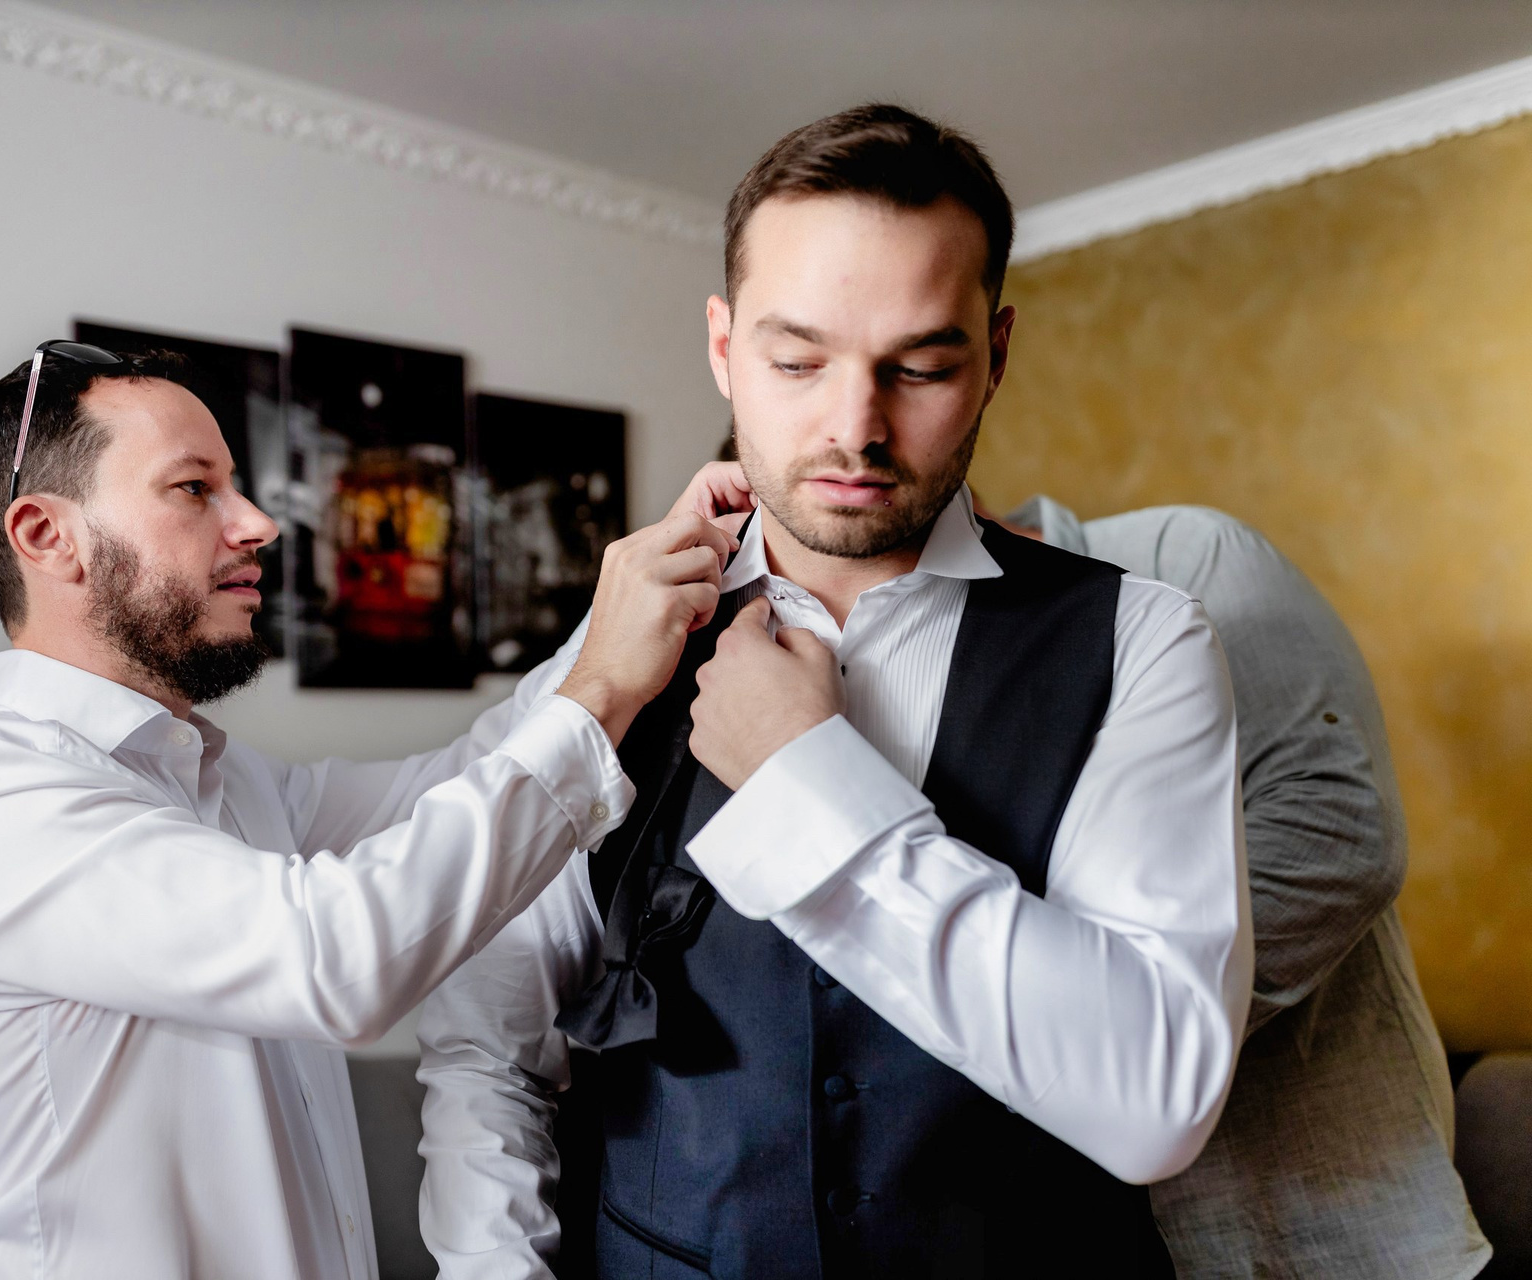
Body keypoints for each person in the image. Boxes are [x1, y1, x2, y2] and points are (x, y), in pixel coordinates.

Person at [416, 104, 1250, 1279]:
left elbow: (1157, 1097)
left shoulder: (1145, 643)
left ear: (995, 356)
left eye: (921, 366)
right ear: (723, 346)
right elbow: (491, 1051)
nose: (856, 428)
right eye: (798, 361)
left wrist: (805, 778)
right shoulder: (601, 661)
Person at [0, 341, 746, 1280]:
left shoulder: (218, 780)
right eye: (194, 489)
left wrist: (647, 592)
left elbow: (467, 776)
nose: (258, 523)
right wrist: (603, 684)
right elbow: (337, 960)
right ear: (48, 536)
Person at [996, 496, 1491, 1277]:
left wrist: (1093, 1045)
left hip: (1316, 1240)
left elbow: (1336, 831)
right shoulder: (849, 670)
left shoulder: (1182, 562)